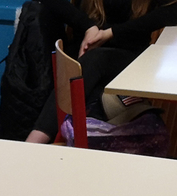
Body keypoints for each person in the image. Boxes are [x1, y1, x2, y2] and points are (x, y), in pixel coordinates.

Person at [26, 0, 177, 143]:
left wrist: (111, 33)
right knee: (91, 96)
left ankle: (35, 142)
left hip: (128, 61)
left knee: (95, 62)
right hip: (85, 57)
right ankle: (37, 144)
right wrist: (88, 27)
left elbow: (172, 11)